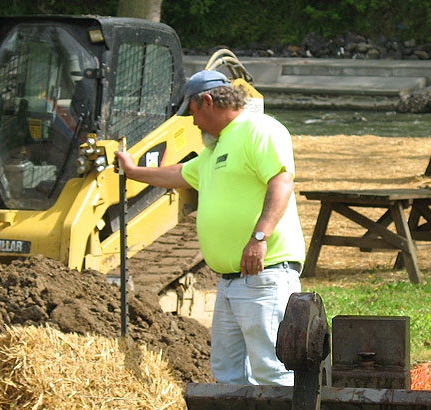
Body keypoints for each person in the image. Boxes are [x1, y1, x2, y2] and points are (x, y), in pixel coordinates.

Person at [115, 69, 305, 386]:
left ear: (208, 101)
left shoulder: (260, 130)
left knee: (273, 370)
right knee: (228, 374)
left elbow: (281, 181)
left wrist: (259, 237)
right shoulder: (214, 149)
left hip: (264, 272)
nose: (193, 124)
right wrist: (133, 172)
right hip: (231, 281)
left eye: (193, 115)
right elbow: (177, 174)